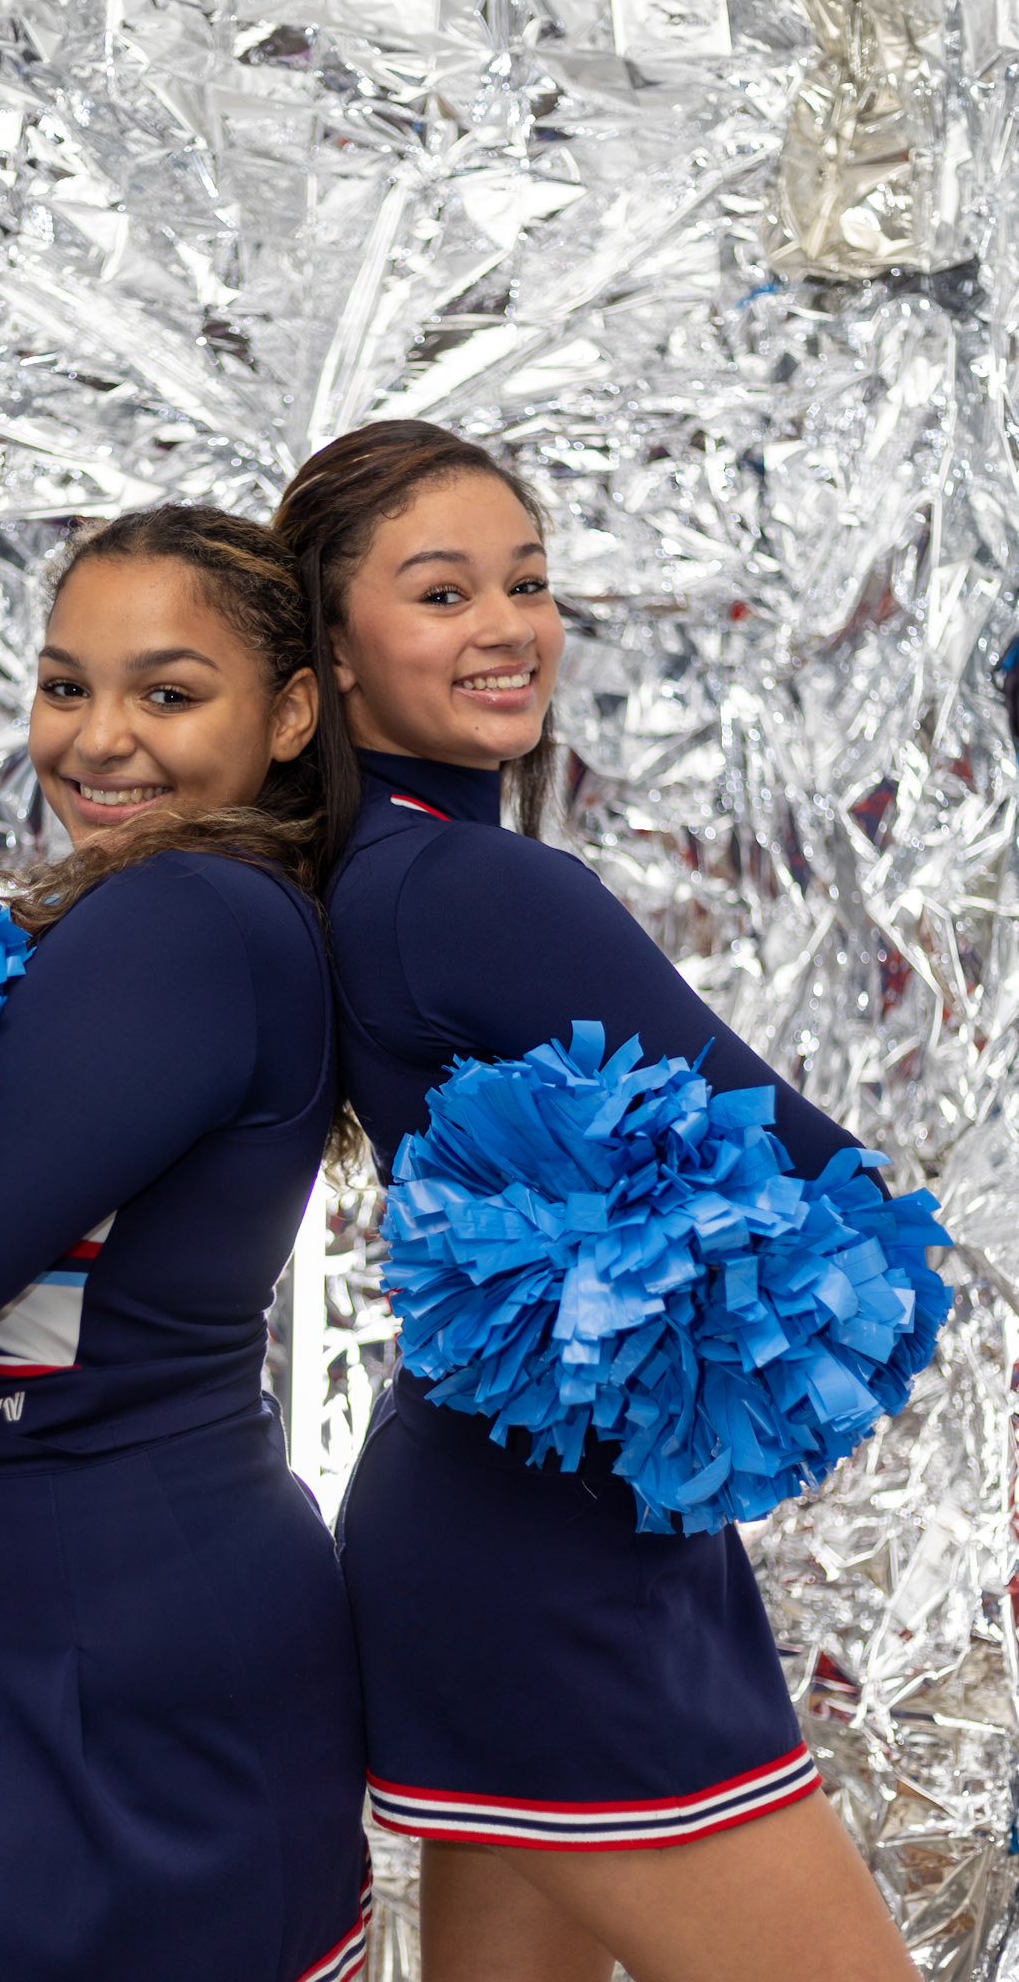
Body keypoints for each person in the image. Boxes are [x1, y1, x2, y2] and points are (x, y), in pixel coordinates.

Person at [274, 422, 919, 1982]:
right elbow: (819, 1169)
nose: (505, 626)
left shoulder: (379, 870)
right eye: (441, 594)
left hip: (506, 1541)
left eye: (528, 581)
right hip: (553, 1578)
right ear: (331, 660)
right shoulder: (472, 886)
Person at [0, 506, 370, 1982]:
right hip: (42, 1637)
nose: (99, 740)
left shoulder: (184, 918)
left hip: (85, 1665)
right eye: (63, 686)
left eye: (168, 694)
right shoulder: (171, 915)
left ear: (291, 713)